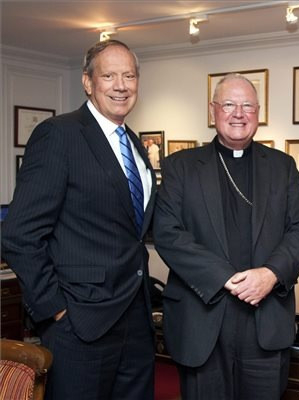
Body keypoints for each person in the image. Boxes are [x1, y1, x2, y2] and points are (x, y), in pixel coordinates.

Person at [1, 39, 156, 399]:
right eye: (109, 76)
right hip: (80, 323)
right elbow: (19, 234)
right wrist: (55, 309)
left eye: (129, 76)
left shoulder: (135, 144)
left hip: (135, 319)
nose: (121, 85)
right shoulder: (59, 134)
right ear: (88, 82)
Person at [153, 74, 299, 400]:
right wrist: (226, 278)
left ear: (258, 113)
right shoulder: (180, 167)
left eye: (247, 106)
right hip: (202, 320)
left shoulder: (282, 166)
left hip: (265, 320)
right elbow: (167, 233)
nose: (238, 114)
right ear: (213, 110)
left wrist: (271, 274)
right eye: (228, 104)